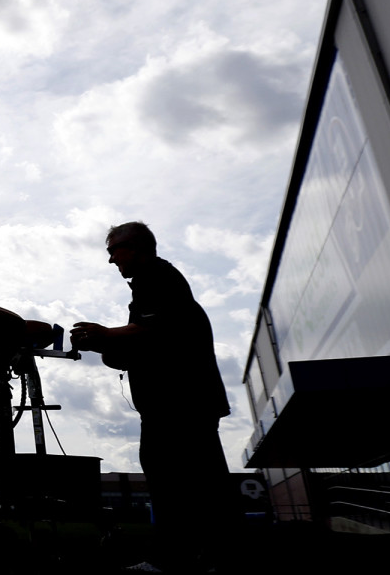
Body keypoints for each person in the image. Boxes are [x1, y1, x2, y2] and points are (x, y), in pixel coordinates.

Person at [70, 222, 231, 574]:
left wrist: (105, 334)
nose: (111, 260)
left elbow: (152, 330)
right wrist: (105, 345)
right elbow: (147, 344)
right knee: (198, 481)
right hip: (182, 402)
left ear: (135, 247)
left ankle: (176, 558)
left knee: (174, 481)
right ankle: (210, 555)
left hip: (178, 403)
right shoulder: (155, 284)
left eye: (114, 250)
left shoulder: (156, 278)